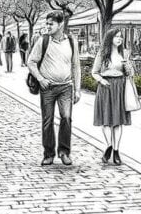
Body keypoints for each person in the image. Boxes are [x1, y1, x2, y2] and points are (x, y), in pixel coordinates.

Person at [27, 10, 80, 166]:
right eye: (47, 23)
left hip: (66, 87)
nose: (48, 26)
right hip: (48, 87)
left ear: (61, 24)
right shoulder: (43, 40)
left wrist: (77, 89)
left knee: (66, 118)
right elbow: (31, 62)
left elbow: (76, 66)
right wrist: (40, 79)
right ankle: (48, 154)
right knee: (47, 120)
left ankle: (64, 152)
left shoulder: (71, 41)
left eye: (51, 24)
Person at [91, 28, 134, 166]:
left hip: (120, 87)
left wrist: (128, 66)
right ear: (110, 38)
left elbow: (130, 74)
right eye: (116, 36)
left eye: (121, 36)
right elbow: (94, 72)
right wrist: (101, 80)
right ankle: (109, 146)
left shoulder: (124, 53)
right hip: (106, 87)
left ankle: (116, 151)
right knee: (106, 120)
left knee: (117, 121)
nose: (119, 39)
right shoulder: (103, 54)